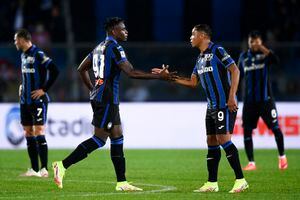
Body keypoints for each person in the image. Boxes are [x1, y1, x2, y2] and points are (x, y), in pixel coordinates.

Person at [52, 17, 175, 191]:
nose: (126, 31)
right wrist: (159, 77)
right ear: (112, 31)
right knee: (100, 139)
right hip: (107, 99)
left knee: (117, 136)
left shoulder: (97, 48)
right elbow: (131, 73)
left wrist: (92, 88)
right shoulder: (115, 48)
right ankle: (62, 165)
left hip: (103, 98)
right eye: (122, 29)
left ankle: (122, 183)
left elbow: (81, 69)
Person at [152, 24, 248, 193]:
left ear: (203, 36)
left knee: (223, 140)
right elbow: (192, 82)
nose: (190, 37)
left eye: (193, 34)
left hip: (224, 104)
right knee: (211, 141)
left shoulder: (218, 50)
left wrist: (232, 96)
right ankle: (212, 183)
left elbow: (235, 70)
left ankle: (240, 180)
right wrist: (169, 78)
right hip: (210, 106)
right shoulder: (199, 59)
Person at [238, 31, 288, 171]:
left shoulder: (265, 56)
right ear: (248, 42)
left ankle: (282, 157)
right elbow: (238, 76)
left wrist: (262, 48)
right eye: (251, 41)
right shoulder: (243, 57)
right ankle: (251, 163)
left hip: (266, 100)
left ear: (260, 42)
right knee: (247, 131)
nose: (253, 44)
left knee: (276, 128)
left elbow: (276, 61)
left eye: (256, 41)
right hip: (249, 102)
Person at [14, 29, 59, 177]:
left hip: (38, 100)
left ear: (22, 39)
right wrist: (22, 86)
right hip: (24, 101)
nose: (15, 42)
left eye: (16, 40)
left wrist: (44, 89)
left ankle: (44, 169)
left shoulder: (38, 54)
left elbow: (54, 70)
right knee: (28, 132)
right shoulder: (23, 55)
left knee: (39, 131)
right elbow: (27, 74)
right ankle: (34, 169)